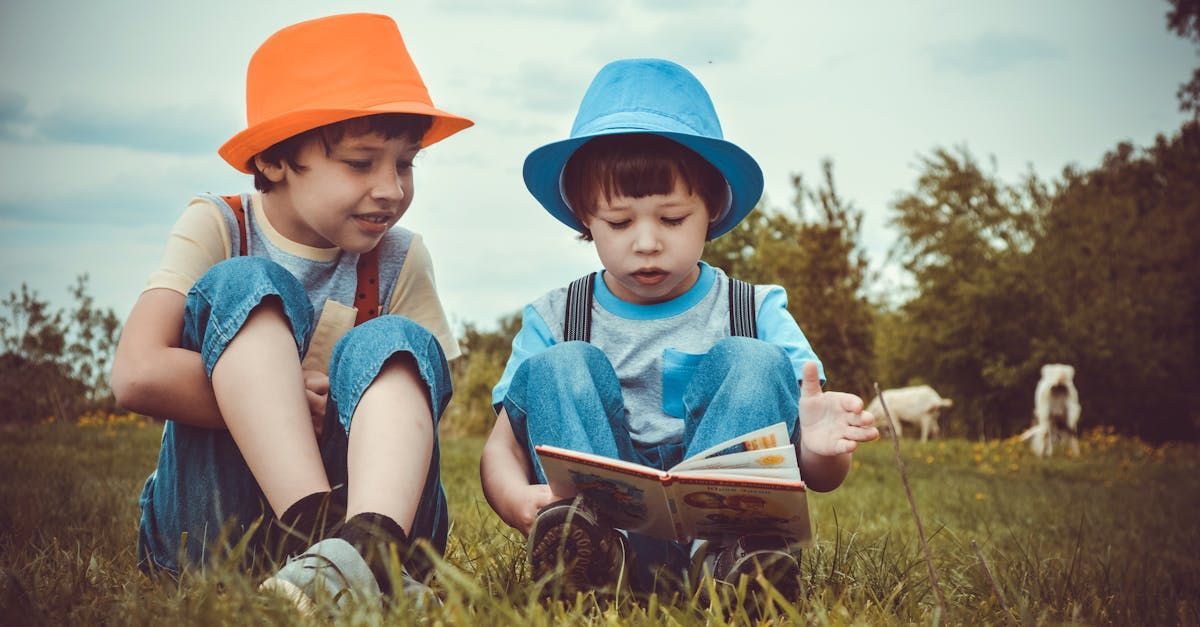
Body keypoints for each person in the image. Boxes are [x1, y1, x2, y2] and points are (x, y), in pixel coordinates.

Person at [110, 13, 472, 612]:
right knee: (247, 283)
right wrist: (278, 400)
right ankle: (325, 543)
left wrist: (359, 402)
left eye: (405, 163)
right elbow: (137, 372)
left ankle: (369, 548)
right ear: (276, 160)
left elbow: (430, 390)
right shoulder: (219, 225)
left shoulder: (401, 256)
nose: (391, 188)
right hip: (215, 528)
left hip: (371, 503)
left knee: (396, 341)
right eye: (362, 163)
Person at [479, 58, 879, 598]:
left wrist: (823, 452)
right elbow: (501, 447)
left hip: (725, 531)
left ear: (711, 207)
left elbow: (819, 474)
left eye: (671, 219)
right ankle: (590, 559)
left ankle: (731, 566)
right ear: (584, 216)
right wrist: (513, 499)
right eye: (619, 222)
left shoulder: (754, 309)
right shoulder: (555, 317)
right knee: (560, 365)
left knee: (754, 359)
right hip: (603, 531)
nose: (646, 242)